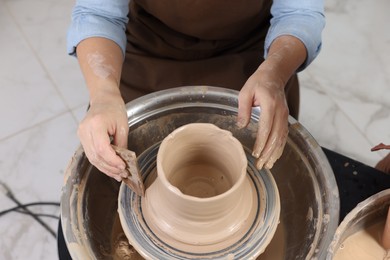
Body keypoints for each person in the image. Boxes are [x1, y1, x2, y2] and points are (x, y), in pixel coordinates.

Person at [67, 0, 325, 181]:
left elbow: (299, 13)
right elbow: (99, 14)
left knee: (266, 169)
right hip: (151, 48)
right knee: (118, 168)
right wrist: (103, 93)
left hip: (252, 58)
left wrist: (274, 73)